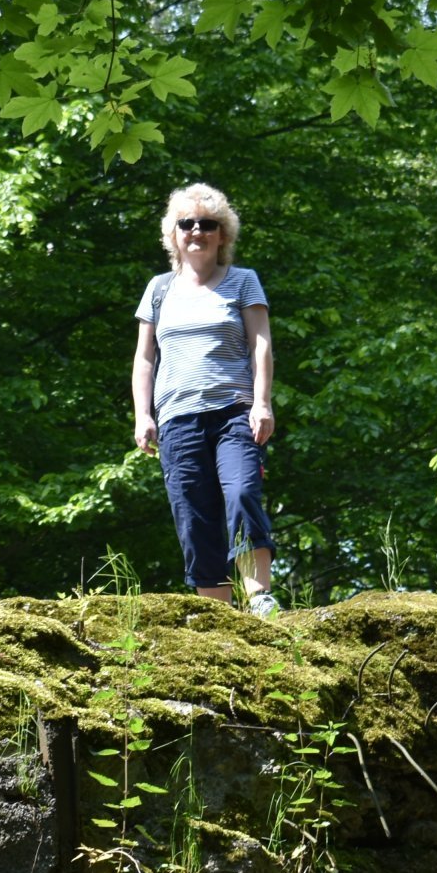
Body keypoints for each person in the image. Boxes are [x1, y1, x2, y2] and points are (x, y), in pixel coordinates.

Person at [131, 183, 278, 612]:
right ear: (173, 234)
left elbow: (261, 345)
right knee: (194, 515)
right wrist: (144, 415)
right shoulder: (158, 290)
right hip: (177, 420)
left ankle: (260, 599)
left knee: (242, 492)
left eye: (208, 224)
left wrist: (262, 402)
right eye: (187, 224)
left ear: (222, 235)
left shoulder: (243, 282)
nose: (197, 231)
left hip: (235, 412)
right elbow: (144, 359)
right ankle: (218, 616)